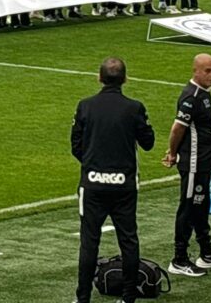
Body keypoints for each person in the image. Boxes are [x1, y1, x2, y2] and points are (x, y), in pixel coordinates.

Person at [71, 57, 156, 303]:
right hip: (124, 185)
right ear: (125, 79)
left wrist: (93, 164)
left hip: (93, 184)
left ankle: (83, 298)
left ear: (99, 78)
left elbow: (76, 145)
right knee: (128, 240)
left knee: (89, 243)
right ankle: (128, 297)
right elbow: (148, 143)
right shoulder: (134, 108)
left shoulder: (85, 106)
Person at [163, 54, 211, 276]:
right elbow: (177, 128)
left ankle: (206, 253)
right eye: (208, 71)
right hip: (193, 163)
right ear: (195, 71)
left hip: (203, 163)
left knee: (202, 206)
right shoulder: (191, 97)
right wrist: (172, 153)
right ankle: (179, 259)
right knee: (188, 208)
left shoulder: (203, 93)